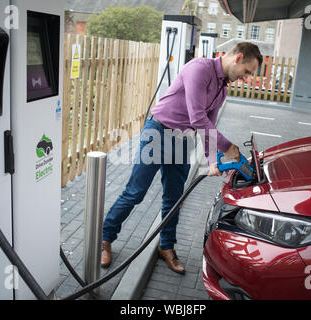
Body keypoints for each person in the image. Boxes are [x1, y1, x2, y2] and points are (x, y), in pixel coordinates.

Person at [101, 42, 263, 274]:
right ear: (237, 58)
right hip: (158, 133)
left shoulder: (222, 88)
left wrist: (212, 160)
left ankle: (166, 247)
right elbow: (197, 118)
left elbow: (208, 124)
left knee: (174, 198)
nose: (246, 78)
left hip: (183, 140)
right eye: (247, 71)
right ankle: (105, 239)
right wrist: (228, 147)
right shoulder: (199, 69)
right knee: (135, 193)